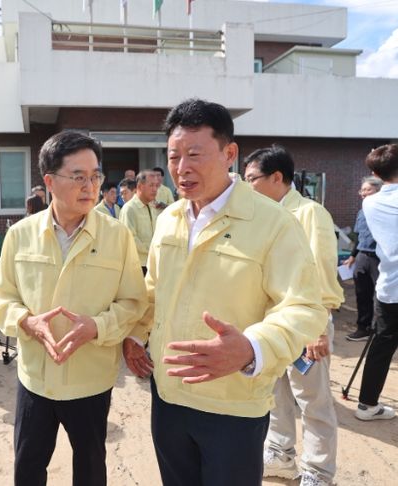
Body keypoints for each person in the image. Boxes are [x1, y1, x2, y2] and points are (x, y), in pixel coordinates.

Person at [123, 99, 327, 486]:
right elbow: (153, 292)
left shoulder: (273, 223)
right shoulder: (169, 219)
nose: (182, 168)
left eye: (195, 154)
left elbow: (303, 307)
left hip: (233, 405)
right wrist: (135, 334)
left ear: (229, 154)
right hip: (167, 397)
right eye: (174, 156)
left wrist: (252, 347)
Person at [0, 130, 148, 486]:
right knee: (28, 466)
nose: (89, 187)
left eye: (95, 176)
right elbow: (1, 299)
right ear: (49, 181)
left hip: (90, 379)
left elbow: (133, 301)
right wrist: (26, 322)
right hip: (36, 378)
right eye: (78, 177)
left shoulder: (117, 235)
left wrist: (98, 327)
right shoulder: (21, 234)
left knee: (90, 467)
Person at [245, 145, 344, 486]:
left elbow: (322, 272)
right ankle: (280, 454)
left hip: (304, 324)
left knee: (313, 400)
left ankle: (318, 470)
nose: (247, 186)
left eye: (252, 179)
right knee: (276, 394)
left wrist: (318, 328)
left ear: (277, 177)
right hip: (271, 324)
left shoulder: (310, 213)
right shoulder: (263, 215)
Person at [354, 144, 398, 421]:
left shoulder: (370, 202)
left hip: (389, 286)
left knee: (381, 347)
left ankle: (367, 405)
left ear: (376, 174)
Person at [343, 176, 383, 341]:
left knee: (381, 296)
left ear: (378, 191)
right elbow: (359, 238)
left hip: (379, 258)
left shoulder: (386, 210)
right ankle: (363, 328)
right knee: (362, 293)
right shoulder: (361, 212)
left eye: (368, 190)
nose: (364, 193)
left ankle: (381, 330)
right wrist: (353, 256)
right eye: (362, 190)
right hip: (362, 257)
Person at [119, 170, 160, 275]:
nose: (155, 189)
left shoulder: (152, 207)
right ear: (140, 187)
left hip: (153, 262)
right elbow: (130, 238)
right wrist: (151, 249)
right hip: (138, 265)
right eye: (151, 185)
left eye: (156, 186)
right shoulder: (129, 208)